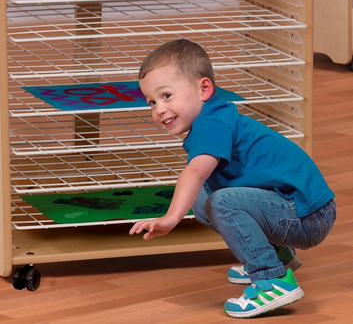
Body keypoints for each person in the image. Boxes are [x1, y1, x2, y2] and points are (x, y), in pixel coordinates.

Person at [129, 39, 336, 319]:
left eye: (166, 96)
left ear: (204, 89)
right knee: (203, 199)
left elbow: (194, 171)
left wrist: (170, 218)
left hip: (307, 217)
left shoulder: (213, 125)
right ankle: (277, 255)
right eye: (152, 102)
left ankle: (271, 279)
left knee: (220, 202)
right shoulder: (215, 114)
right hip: (299, 209)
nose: (159, 109)